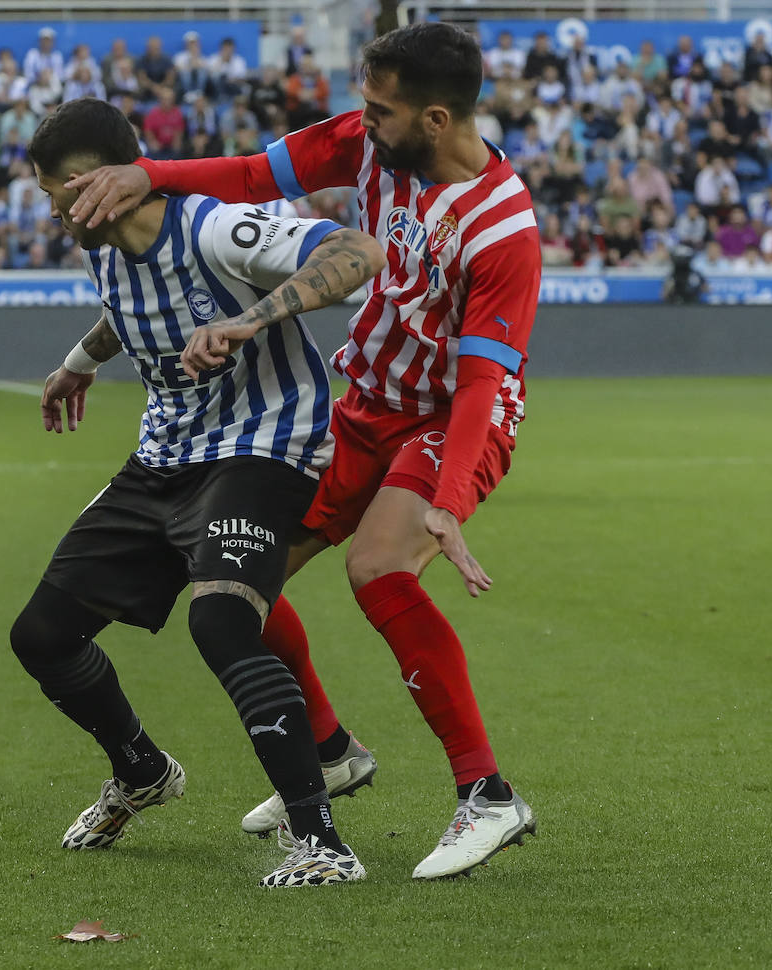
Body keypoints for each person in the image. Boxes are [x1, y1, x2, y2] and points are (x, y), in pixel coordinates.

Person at [67, 21, 541, 880]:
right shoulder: (372, 144)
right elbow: (255, 175)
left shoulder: (502, 229)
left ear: (435, 119)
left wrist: (448, 501)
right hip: (364, 403)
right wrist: (149, 173)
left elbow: (479, 382)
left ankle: (488, 794)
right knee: (238, 580)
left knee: (378, 568)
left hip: (449, 418)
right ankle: (329, 750)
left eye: (380, 108)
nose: (364, 119)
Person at [13, 97, 387, 887]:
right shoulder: (103, 245)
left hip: (264, 446)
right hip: (165, 458)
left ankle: (323, 844)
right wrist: (79, 362)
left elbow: (357, 252)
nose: (52, 214)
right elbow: (130, 308)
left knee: (220, 621)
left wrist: (252, 320)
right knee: (41, 635)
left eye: (54, 196)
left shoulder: (214, 227)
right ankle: (142, 771)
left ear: (89, 186)